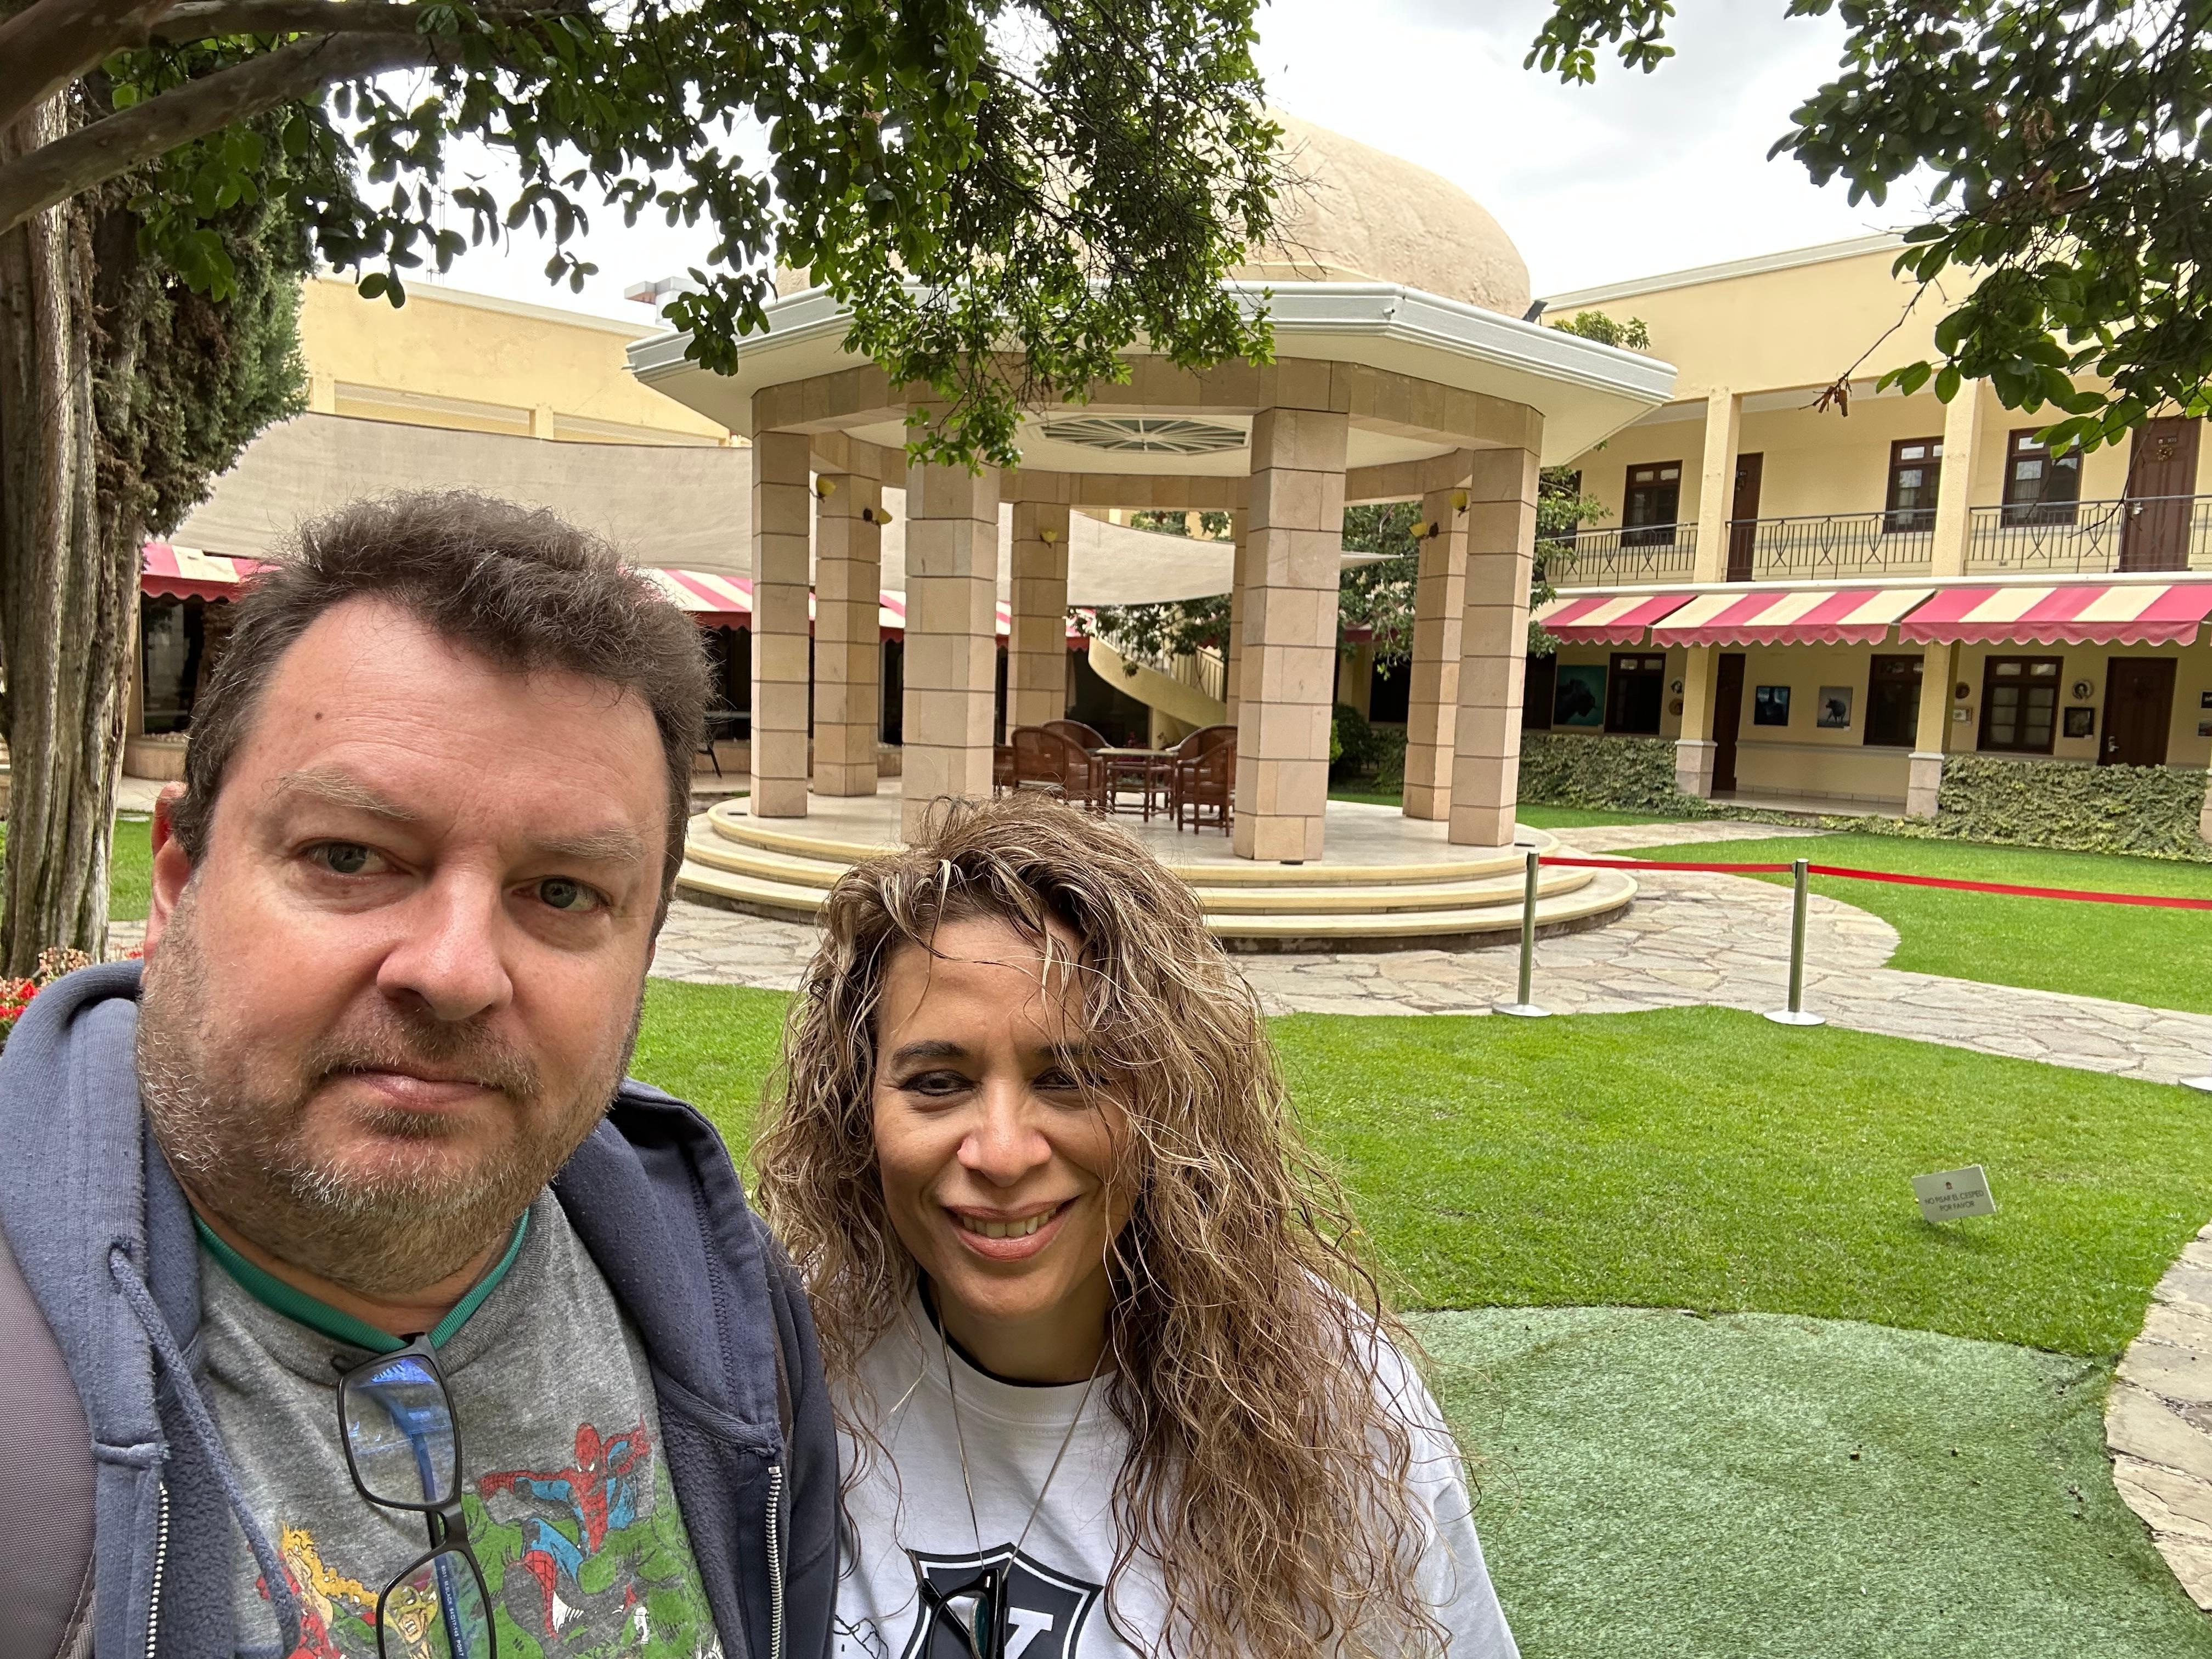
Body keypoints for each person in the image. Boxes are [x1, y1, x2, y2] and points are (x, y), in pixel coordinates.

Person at [0, 493, 837, 1659]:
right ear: (179, 886)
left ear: (643, 952)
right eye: (350, 857)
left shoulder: (736, 1318)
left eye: (562, 893)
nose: (453, 972)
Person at [753, 796, 1517, 1659]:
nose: (1001, 1153)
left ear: (1166, 1102)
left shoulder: (1339, 1407)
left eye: (1071, 1079)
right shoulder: (785, 1374)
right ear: (857, 1109)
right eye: (938, 1083)